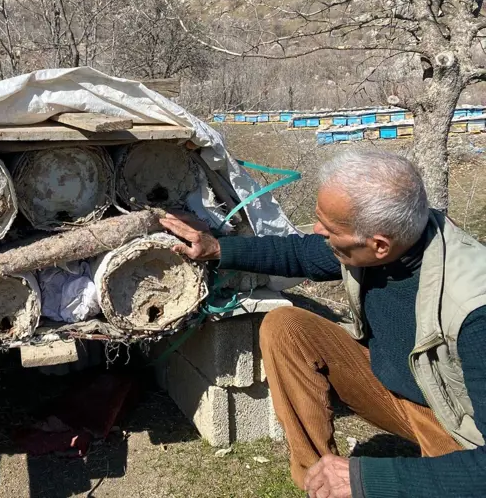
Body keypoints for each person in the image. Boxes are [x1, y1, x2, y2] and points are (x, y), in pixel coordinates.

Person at [160, 149, 486, 498]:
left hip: (455, 428)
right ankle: (318, 483)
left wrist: (369, 480)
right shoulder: (394, 238)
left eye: (330, 230)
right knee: (287, 327)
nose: (318, 232)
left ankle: (350, 481)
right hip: (396, 391)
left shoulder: (474, 311)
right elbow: (300, 253)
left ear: (378, 245)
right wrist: (217, 249)